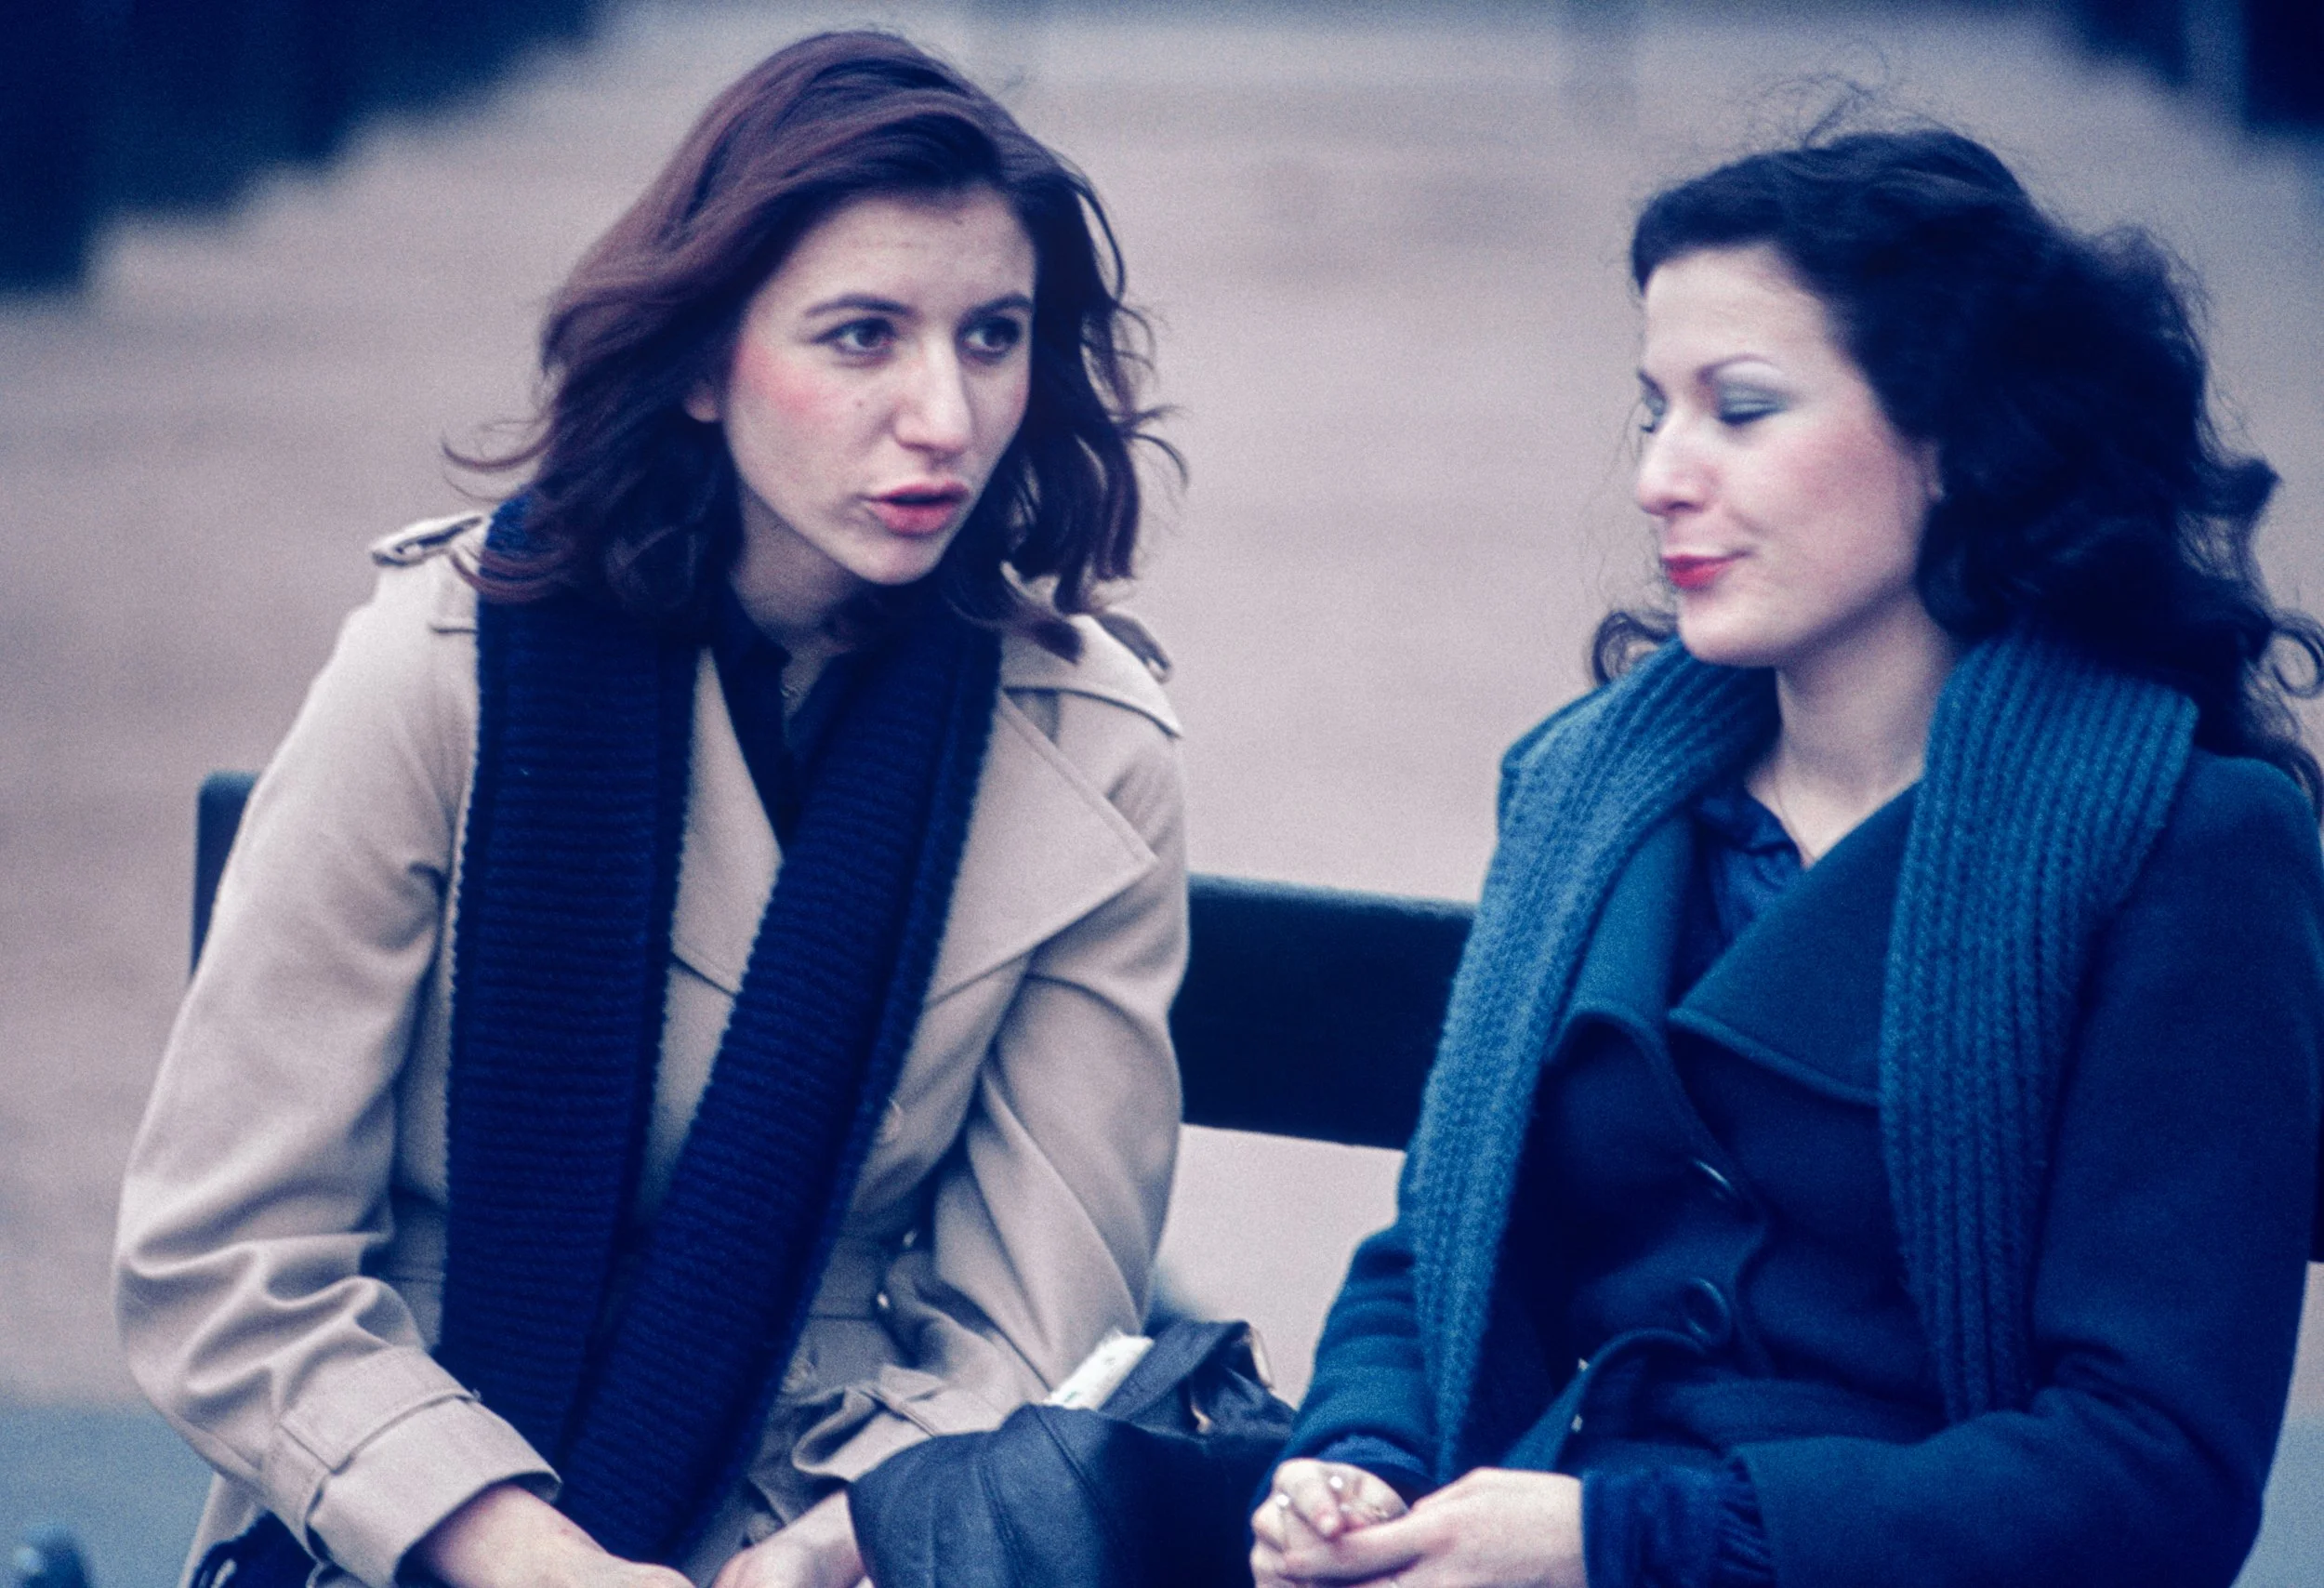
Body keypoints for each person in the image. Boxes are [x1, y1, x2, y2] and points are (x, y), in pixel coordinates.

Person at [115, 32, 1186, 1588]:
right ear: (700, 361)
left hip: (840, 1526)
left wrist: (826, 1554)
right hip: (406, 1523)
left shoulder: (1092, 750)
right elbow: (228, 1262)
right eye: (863, 337)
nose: (945, 417)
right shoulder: (448, 668)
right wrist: (522, 1555)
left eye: (993, 337)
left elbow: (1037, 1331)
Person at [1252, 126, 2324, 1588]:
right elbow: (1436, 1254)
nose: (1660, 477)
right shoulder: (1590, 794)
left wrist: (1628, 1543)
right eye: (1655, 411)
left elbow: (2153, 1471)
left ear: (1959, 439)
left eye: (1741, 410)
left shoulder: (2189, 846)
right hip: (1528, 1523)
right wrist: (1357, 1467)